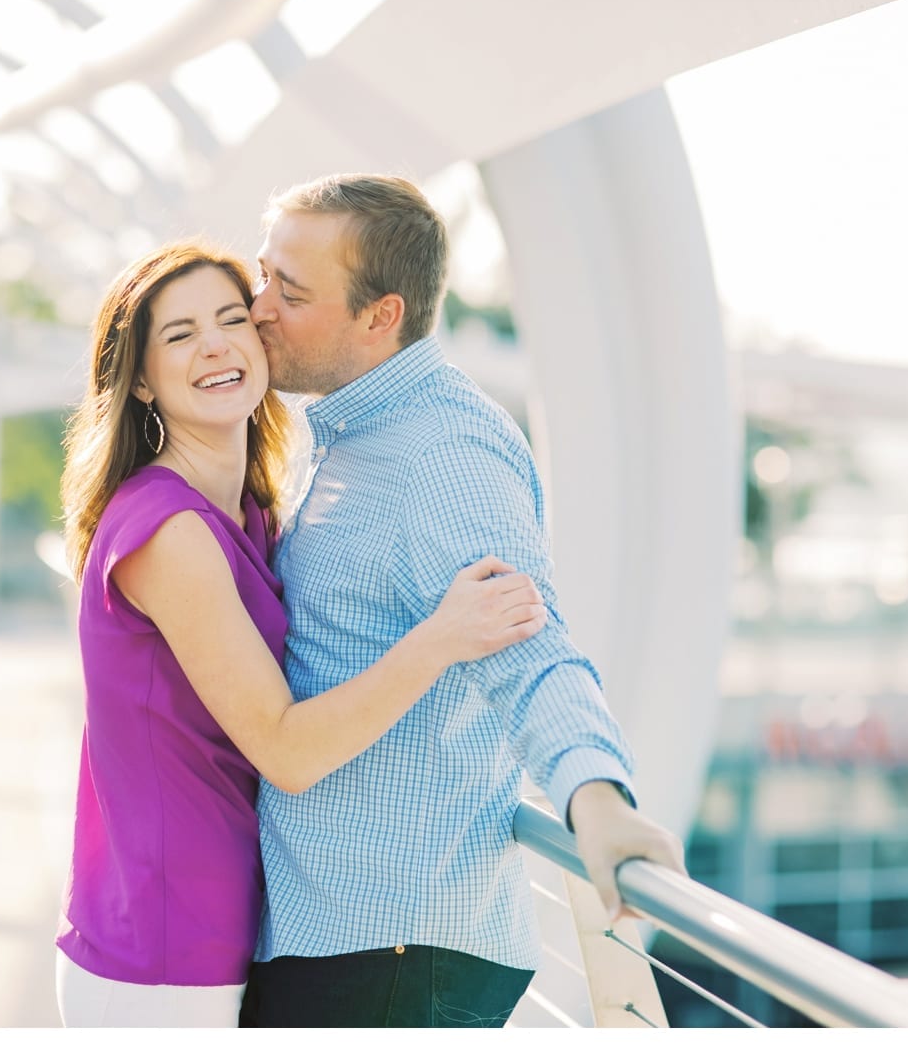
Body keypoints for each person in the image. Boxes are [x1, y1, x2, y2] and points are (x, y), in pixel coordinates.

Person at [53, 239, 548, 1028]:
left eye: (229, 319)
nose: (214, 343)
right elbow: (285, 749)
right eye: (179, 335)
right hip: (166, 948)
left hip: (230, 926)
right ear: (140, 378)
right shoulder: (168, 531)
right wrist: (442, 637)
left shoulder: (249, 516)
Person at [239, 174, 688, 1028]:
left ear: (382, 317)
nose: (258, 308)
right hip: (338, 935)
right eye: (264, 276)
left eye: (289, 293)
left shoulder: (443, 454)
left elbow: (528, 642)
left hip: (392, 957)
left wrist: (598, 797)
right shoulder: (344, 433)